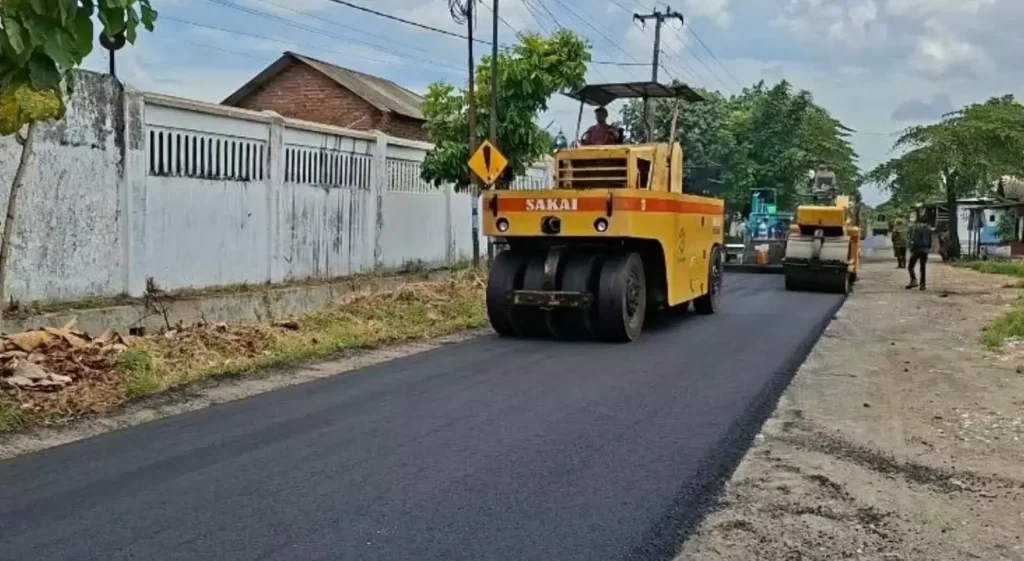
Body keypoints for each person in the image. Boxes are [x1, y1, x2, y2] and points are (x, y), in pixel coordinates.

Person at [906, 214, 932, 290]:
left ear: (919, 221)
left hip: (917, 249)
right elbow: (930, 241)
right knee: (923, 267)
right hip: (925, 250)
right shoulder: (929, 229)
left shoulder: (917, 228)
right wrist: (928, 248)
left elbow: (916, 240)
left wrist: (912, 249)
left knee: (911, 266)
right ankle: (922, 285)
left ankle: (913, 280)